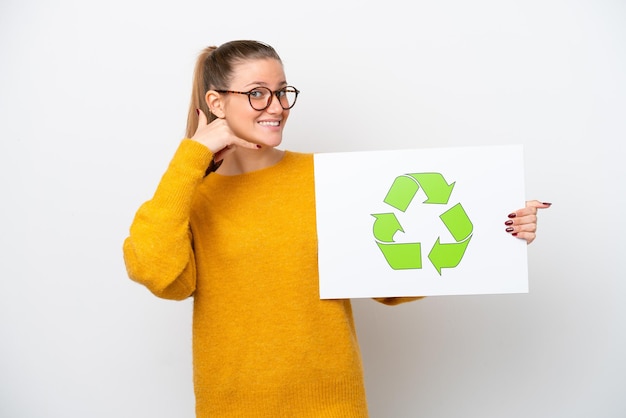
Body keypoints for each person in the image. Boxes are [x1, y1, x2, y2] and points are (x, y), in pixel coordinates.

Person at [122, 40, 551, 418]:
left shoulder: (327, 179)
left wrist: (500, 228)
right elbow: (159, 274)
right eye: (257, 94)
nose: (276, 106)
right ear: (215, 103)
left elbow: (394, 279)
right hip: (231, 407)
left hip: (332, 405)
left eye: (282, 92)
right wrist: (193, 156)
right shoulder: (191, 197)